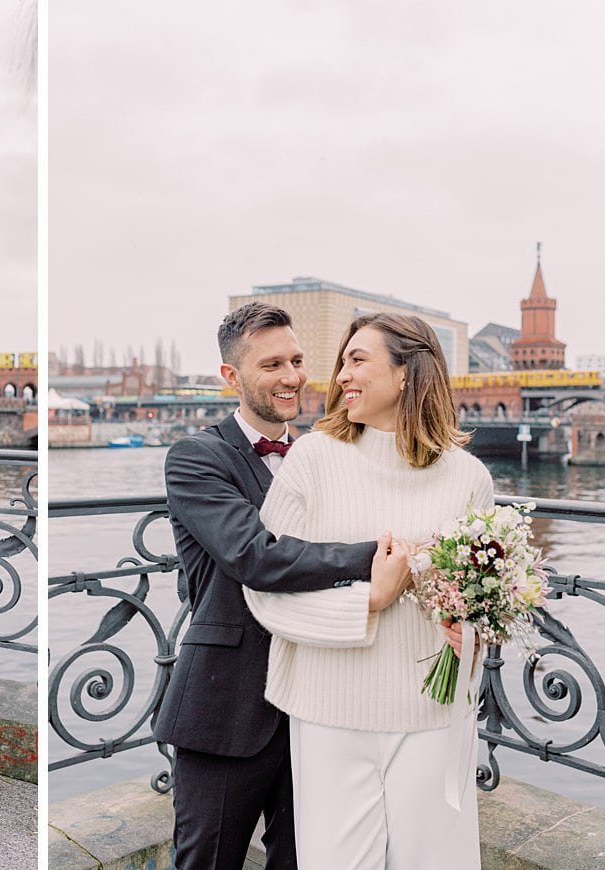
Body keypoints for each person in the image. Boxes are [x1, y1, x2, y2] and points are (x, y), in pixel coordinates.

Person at [151, 302, 414, 870]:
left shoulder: (326, 456)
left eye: (296, 360)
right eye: (271, 364)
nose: (292, 376)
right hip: (226, 705)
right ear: (231, 377)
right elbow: (256, 557)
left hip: (318, 704)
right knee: (205, 861)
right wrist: (382, 556)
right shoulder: (195, 458)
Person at [243, 313, 492, 870]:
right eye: (342, 362)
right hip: (329, 709)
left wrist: (472, 632)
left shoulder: (467, 476)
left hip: (433, 712)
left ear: (406, 373)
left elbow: (480, 598)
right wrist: (367, 603)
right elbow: (264, 592)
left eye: (358, 360)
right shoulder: (312, 460)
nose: (340, 376)